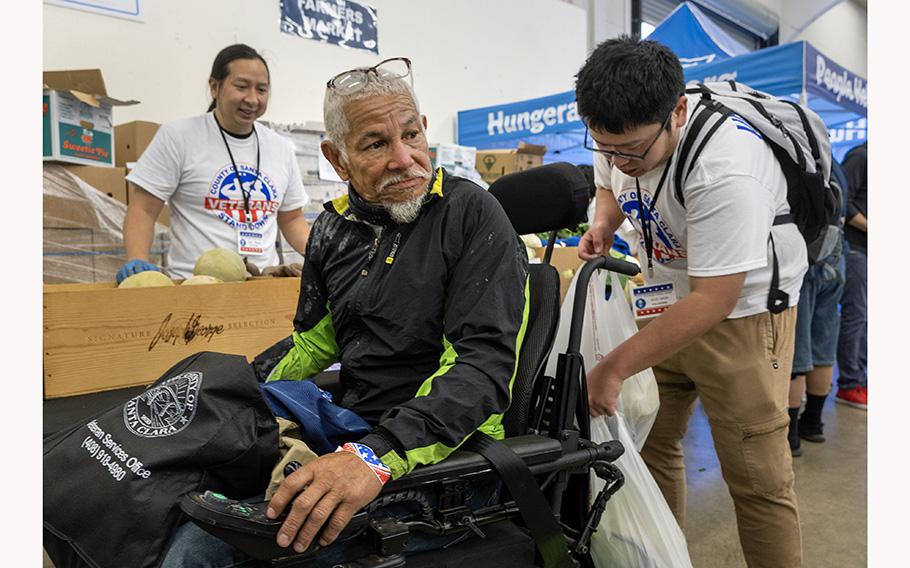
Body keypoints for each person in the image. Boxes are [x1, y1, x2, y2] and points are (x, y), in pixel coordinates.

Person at [161, 57, 529, 567]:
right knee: (167, 492)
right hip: (347, 434)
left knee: (200, 552)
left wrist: (373, 456)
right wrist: (232, 390)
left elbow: (482, 368)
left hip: (447, 470)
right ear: (337, 159)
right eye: (377, 144)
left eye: (411, 135)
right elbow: (313, 342)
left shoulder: (471, 214)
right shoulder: (333, 228)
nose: (404, 159)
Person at [575, 37, 807, 567]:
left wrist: (613, 367)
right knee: (650, 446)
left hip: (740, 316)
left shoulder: (726, 167)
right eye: (604, 146)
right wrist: (604, 224)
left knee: (757, 477)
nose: (620, 161)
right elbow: (608, 184)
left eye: (633, 150)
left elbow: (714, 299)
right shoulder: (619, 136)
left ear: (677, 111)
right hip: (660, 304)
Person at [118, 44, 311, 282]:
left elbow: (292, 218)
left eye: (261, 90)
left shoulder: (280, 148)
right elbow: (144, 209)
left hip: (262, 283)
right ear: (214, 87)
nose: (252, 99)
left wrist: (323, 259)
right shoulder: (179, 136)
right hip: (196, 286)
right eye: (241, 87)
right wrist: (137, 258)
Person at [787, 159, 848, 457]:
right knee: (824, 346)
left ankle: (791, 435)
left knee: (797, 351)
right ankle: (814, 423)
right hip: (836, 260)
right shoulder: (835, 166)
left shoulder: (798, 162)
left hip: (805, 263)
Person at [835, 141, 868, 409]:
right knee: (855, 316)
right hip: (855, 250)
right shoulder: (861, 157)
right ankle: (850, 383)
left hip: (866, 252)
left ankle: (859, 380)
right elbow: (844, 202)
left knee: (865, 318)